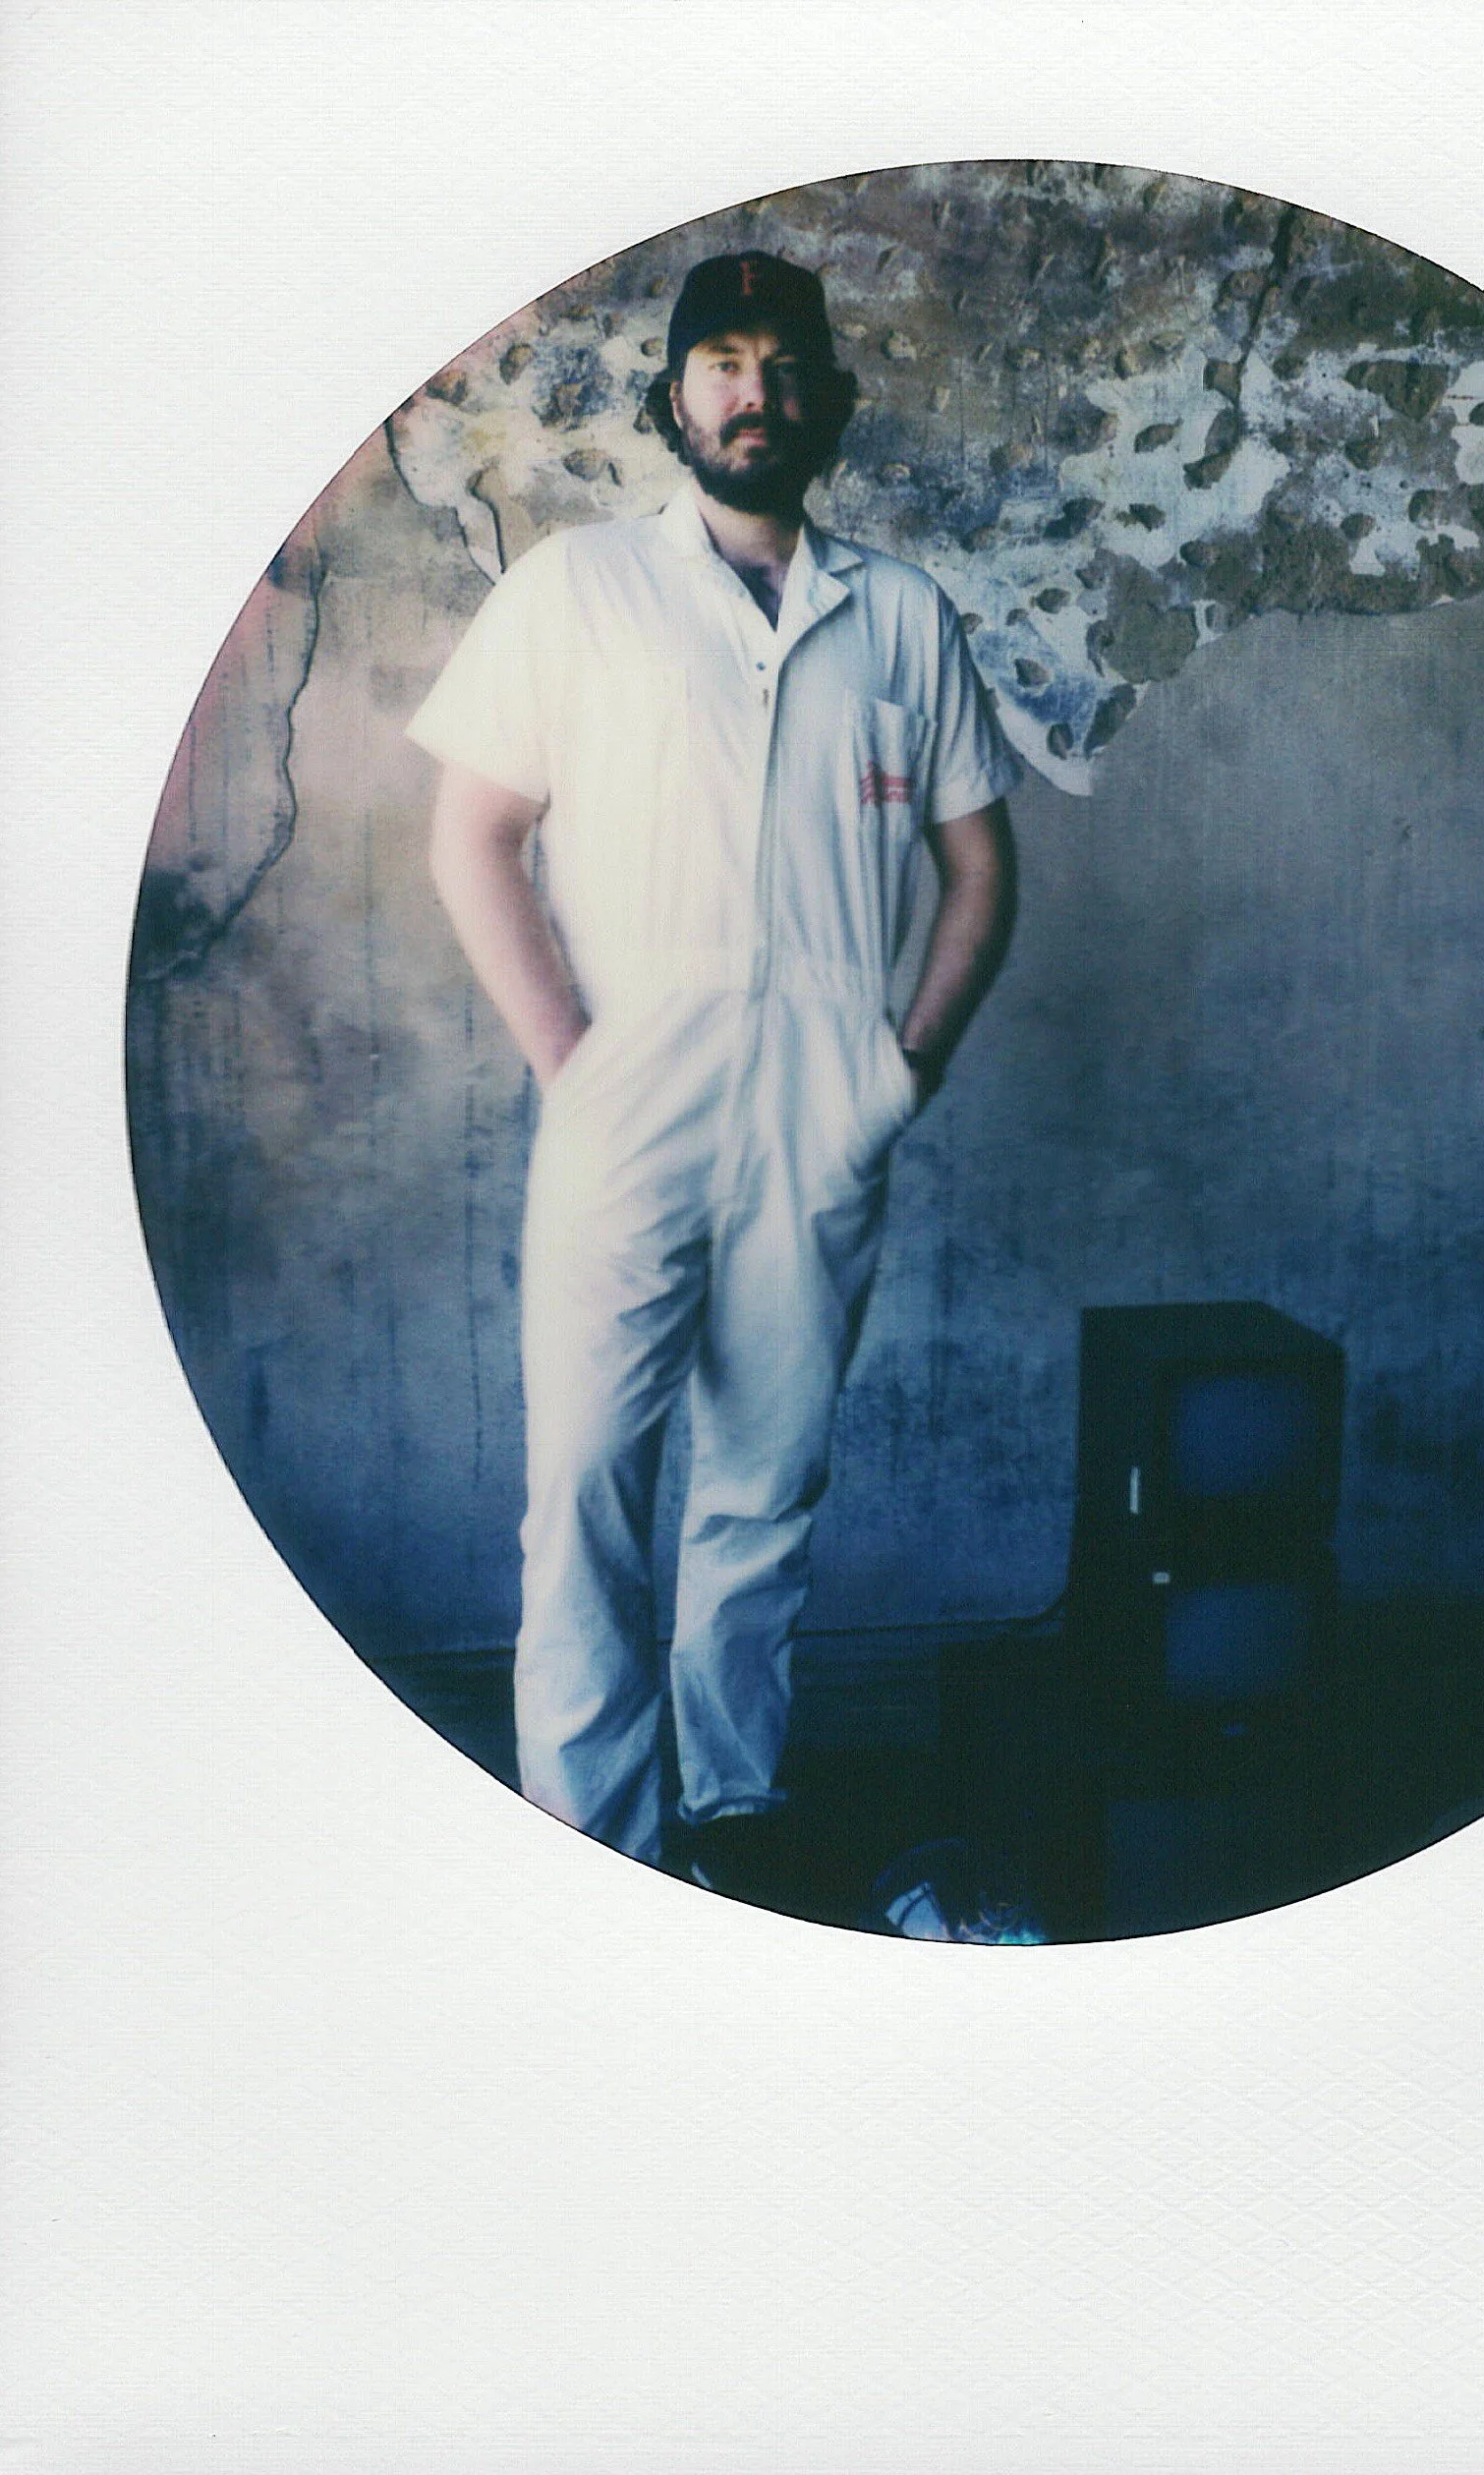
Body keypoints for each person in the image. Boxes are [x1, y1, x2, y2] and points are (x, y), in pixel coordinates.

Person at [409, 252, 1020, 1901]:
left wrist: (899, 1070)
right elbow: (472, 833)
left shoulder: (897, 614)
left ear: (831, 398)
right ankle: (593, 1837)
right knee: (586, 1485)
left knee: (764, 1481)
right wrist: (571, 1058)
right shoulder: (580, 588)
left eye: (786, 363)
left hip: (824, 1095)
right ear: (674, 398)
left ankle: (737, 1804)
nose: (758, 391)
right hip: (633, 1084)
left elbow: (979, 867)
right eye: (725, 361)